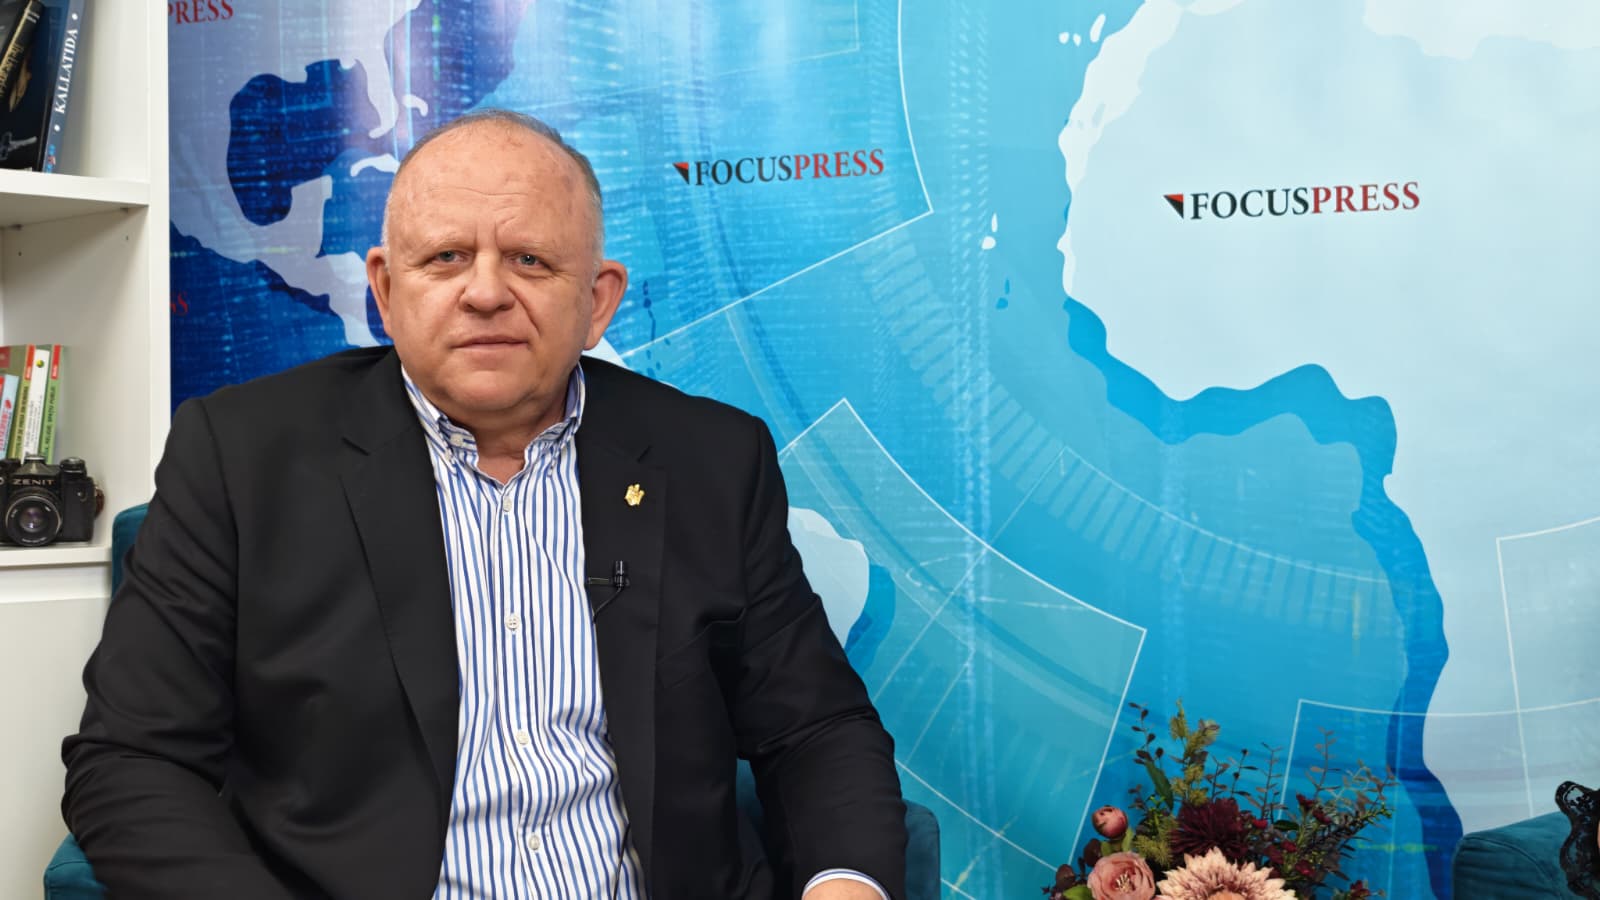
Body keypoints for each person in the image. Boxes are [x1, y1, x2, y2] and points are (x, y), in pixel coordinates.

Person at [62, 109, 907, 900]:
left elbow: (816, 728)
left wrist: (845, 885)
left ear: (599, 301)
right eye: (446, 258)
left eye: (531, 260)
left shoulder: (711, 461)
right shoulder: (243, 458)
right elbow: (131, 761)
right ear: (385, 291)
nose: (486, 292)